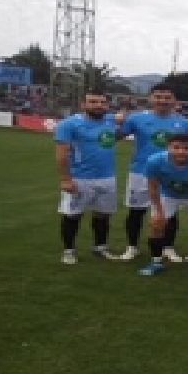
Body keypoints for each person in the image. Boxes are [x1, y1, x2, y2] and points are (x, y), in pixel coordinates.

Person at [115, 83, 188, 261]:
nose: (162, 101)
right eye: (158, 97)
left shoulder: (184, 123)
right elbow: (116, 137)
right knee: (136, 212)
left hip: (171, 173)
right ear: (151, 98)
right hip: (140, 172)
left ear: (174, 100)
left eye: (167, 97)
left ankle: (168, 247)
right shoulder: (136, 119)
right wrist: (117, 122)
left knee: (170, 213)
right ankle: (132, 247)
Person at [55, 90, 120, 264]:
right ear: (83, 104)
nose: (99, 105)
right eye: (93, 102)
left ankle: (100, 247)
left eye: (102, 102)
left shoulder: (111, 120)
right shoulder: (69, 124)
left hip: (107, 177)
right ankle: (69, 251)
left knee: (103, 215)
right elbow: (62, 154)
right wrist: (66, 179)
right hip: (80, 178)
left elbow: (122, 120)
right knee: (72, 215)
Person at [138, 134, 188, 280]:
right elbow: (153, 188)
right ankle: (156, 262)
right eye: (176, 147)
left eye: (186, 148)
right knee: (156, 224)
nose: (181, 151)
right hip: (168, 195)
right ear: (168, 147)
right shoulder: (154, 161)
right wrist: (159, 211)